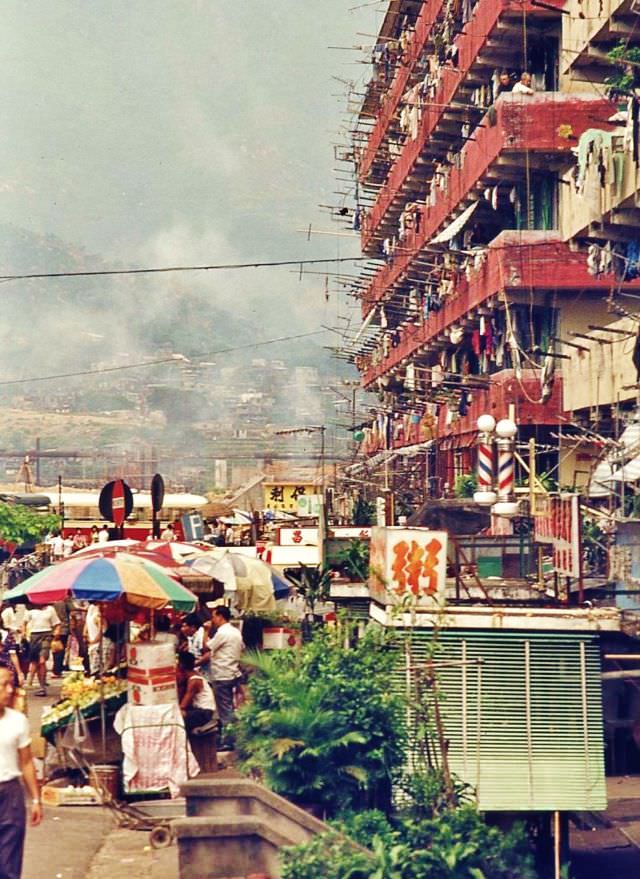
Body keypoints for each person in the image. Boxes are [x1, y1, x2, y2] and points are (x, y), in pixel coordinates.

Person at [0, 667, 42, 878]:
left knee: (9, 863)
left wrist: (36, 799)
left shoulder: (18, 721)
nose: (9, 690)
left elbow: (26, 762)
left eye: (11, 684)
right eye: (3, 685)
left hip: (10, 795)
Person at [208, 606, 244, 748]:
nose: (212, 619)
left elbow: (207, 647)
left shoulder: (222, 633)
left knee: (225, 708)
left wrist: (205, 631)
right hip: (232, 672)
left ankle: (230, 741)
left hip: (222, 674)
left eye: (214, 616)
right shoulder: (235, 631)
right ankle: (232, 737)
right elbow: (242, 647)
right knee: (229, 706)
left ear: (220, 616)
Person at [25, 603, 60, 696]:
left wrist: (57, 632)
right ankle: (40, 684)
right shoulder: (30, 610)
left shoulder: (50, 609)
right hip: (34, 636)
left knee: (42, 660)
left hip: (46, 635)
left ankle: (42, 687)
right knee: (35, 661)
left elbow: (57, 623)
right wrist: (24, 634)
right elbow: (24, 622)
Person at [177, 652, 216, 734]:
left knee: (178, 715)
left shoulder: (194, 681)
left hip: (205, 713)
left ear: (181, 665)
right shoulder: (193, 675)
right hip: (200, 710)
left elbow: (183, 705)